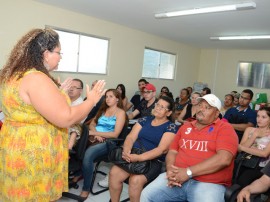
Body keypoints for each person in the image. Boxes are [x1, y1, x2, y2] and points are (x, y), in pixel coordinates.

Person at [0, 28, 105, 201]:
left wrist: (58, 92)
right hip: (34, 150)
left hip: (16, 144)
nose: (60, 57)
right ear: (46, 53)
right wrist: (91, 100)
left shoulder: (13, 75)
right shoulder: (36, 78)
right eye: (59, 52)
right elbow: (66, 118)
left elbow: (31, 107)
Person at [141, 94, 238, 202]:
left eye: (207, 108)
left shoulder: (225, 128)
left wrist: (188, 173)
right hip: (175, 178)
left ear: (216, 114)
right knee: (146, 195)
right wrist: (170, 170)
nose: (201, 109)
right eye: (200, 105)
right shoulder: (186, 126)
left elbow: (224, 159)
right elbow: (173, 151)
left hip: (208, 184)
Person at [109, 96, 178, 202]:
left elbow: (161, 150)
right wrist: (126, 151)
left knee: (135, 180)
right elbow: (131, 137)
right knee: (114, 173)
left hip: (152, 160)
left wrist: (138, 158)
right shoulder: (144, 119)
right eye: (157, 105)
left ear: (168, 113)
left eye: (162, 107)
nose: (158, 108)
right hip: (132, 154)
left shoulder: (171, 127)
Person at [78, 89, 127, 199]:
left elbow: (115, 134)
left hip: (109, 142)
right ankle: (77, 174)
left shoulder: (120, 113)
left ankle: (86, 188)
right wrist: (96, 135)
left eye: (111, 96)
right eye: (106, 96)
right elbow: (91, 124)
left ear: (117, 99)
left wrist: (96, 133)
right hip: (95, 137)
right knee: (77, 146)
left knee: (88, 154)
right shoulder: (103, 110)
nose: (107, 99)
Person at [236, 106, 270, 187]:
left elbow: (264, 154)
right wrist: (254, 135)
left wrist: (242, 147)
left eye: (263, 117)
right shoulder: (249, 130)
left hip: (260, 167)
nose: (259, 119)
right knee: (234, 179)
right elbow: (239, 150)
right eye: (258, 116)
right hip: (243, 161)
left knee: (243, 181)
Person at [68, 78, 86, 150]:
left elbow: (75, 122)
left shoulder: (82, 105)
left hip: (72, 130)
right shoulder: (65, 99)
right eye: (70, 86)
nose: (71, 89)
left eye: (74, 87)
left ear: (80, 91)